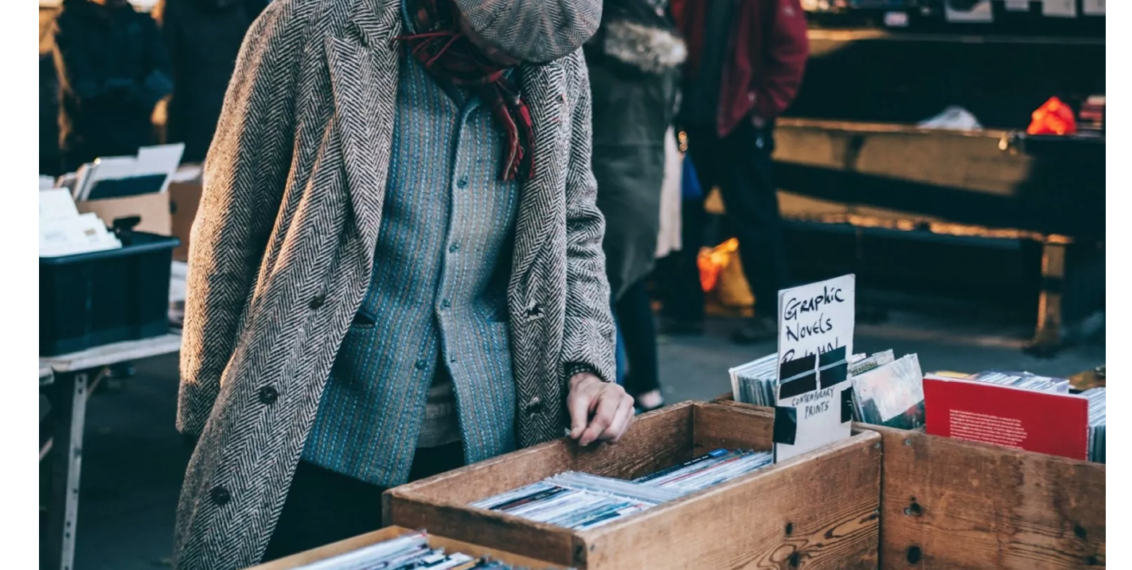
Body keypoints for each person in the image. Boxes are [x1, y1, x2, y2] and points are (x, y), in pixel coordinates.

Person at [174, 0, 633, 568]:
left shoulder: (553, 58)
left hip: (488, 439)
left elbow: (576, 225)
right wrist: (204, 414)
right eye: (493, 42)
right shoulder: (312, 23)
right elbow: (231, 218)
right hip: (314, 425)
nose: (511, 64)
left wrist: (586, 363)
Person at [666, 0, 809, 344]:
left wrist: (762, 108)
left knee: (754, 219)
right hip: (697, 123)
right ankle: (684, 311)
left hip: (738, 126)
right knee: (683, 216)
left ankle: (772, 315)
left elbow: (792, 50)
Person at [584, 0, 685, 412]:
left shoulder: (592, 51)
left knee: (595, 296)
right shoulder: (664, 53)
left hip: (601, 178)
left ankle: (609, 395)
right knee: (628, 286)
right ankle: (646, 387)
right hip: (646, 180)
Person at [52, 0, 172, 172]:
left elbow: (163, 80)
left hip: (136, 145)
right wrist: (134, 90)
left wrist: (113, 88)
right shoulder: (68, 22)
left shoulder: (141, 23)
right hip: (85, 148)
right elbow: (81, 84)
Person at [154, 0, 268, 163]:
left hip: (202, 116)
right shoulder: (249, 7)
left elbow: (164, 64)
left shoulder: (250, 6)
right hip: (230, 115)